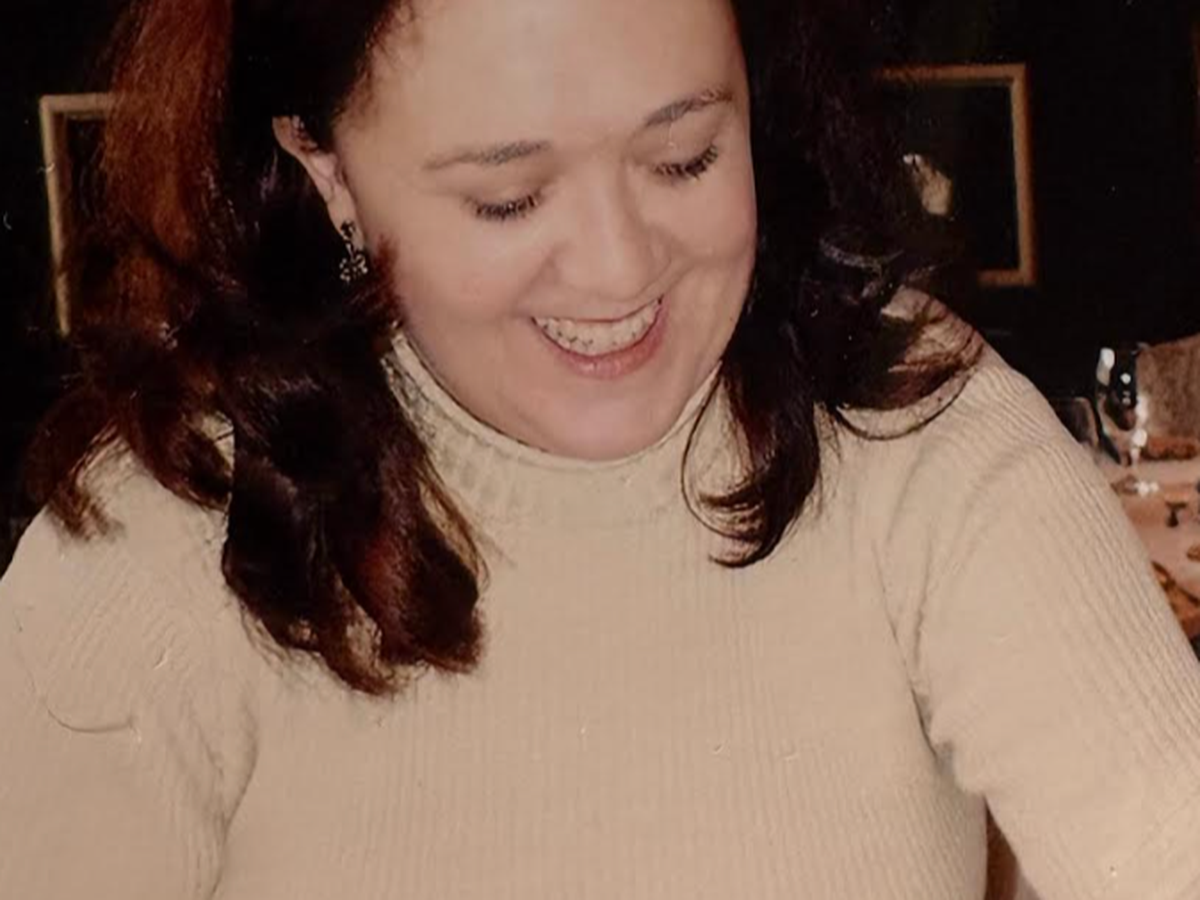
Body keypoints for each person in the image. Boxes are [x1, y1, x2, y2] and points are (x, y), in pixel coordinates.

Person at [2, 0, 1199, 897]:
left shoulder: (912, 425)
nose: (621, 268)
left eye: (684, 158)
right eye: (509, 196)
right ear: (328, 171)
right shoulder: (154, 545)